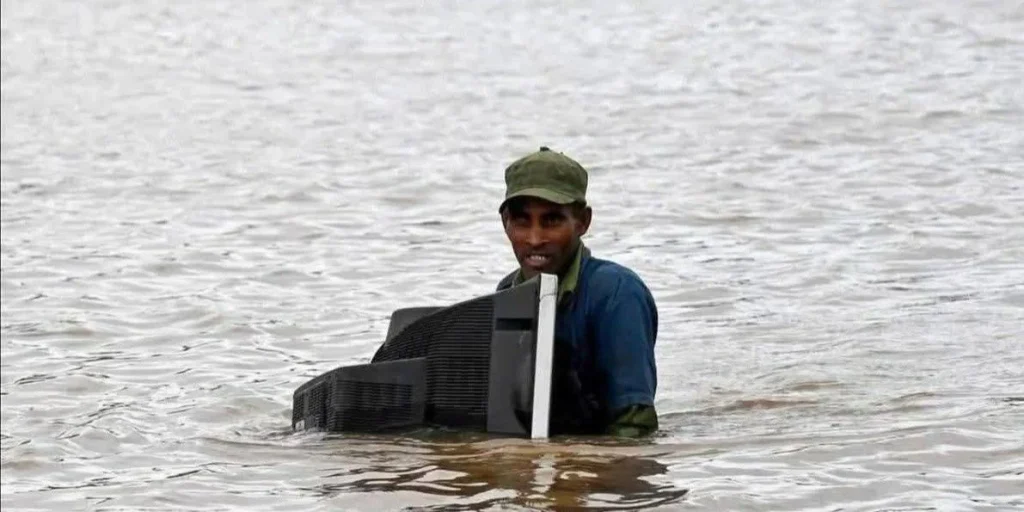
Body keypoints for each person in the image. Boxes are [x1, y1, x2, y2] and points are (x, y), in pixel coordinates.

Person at [496, 146, 659, 437]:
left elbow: (635, 427)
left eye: (552, 221)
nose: (534, 239)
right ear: (505, 223)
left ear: (582, 222)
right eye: (522, 221)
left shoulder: (616, 293)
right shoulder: (507, 293)